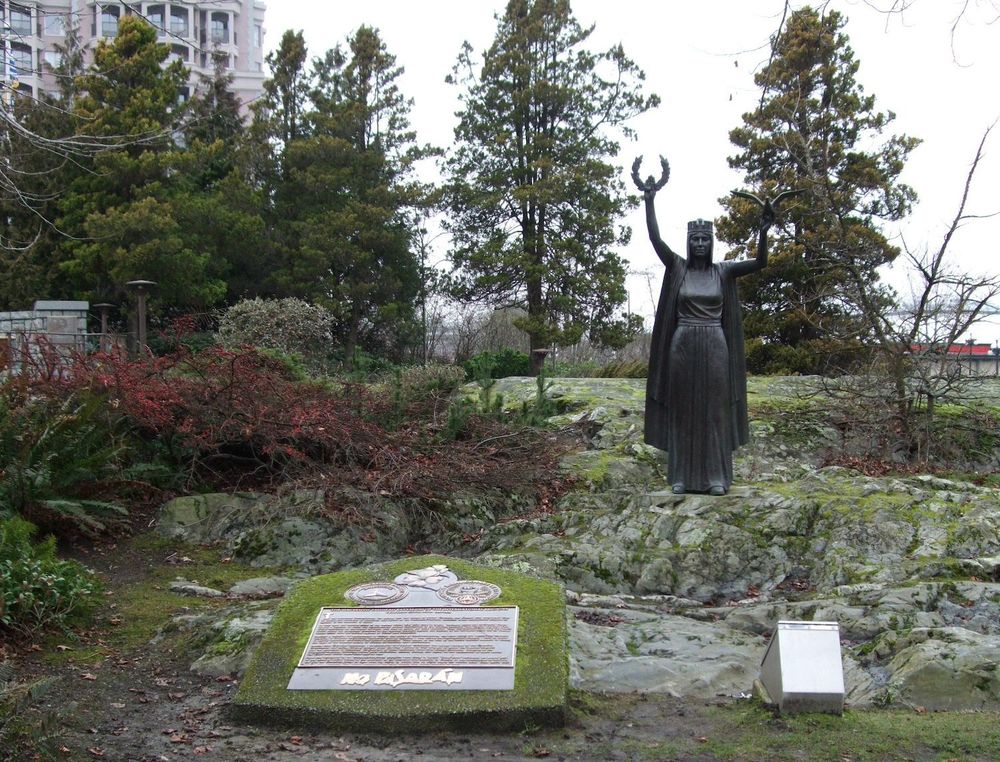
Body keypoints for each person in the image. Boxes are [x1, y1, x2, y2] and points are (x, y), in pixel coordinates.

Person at [636, 158, 774, 495]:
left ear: (711, 242)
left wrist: (763, 231)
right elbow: (655, 240)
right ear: (689, 242)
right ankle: (681, 476)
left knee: (713, 411)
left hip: (715, 344)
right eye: (695, 239)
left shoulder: (722, 272)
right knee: (684, 411)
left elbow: (760, 262)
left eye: (704, 239)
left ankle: (716, 476)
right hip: (682, 344)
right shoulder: (678, 268)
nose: (699, 244)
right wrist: (650, 200)